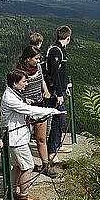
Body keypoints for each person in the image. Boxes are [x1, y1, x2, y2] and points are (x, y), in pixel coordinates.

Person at [1, 69, 65, 200]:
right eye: (24, 81)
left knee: (17, 166)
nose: (26, 84)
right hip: (16, 139)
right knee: (28, 166)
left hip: (16, 137)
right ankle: (24, 197)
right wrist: (52, 111)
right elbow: (29, 110)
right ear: (14, 83)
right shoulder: (10, 98)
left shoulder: (13, 94)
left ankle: (12, 193)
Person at [17, 45, 56, 178]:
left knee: (41, 138)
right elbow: (13, 89)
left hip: (39, 105)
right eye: (36, 58)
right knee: (25, 138)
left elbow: (42, 80)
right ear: (28, 59)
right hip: (25, 108)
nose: (38, 61)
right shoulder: (19, 71)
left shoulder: (38, 68)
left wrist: (45, 90)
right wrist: (23, 98)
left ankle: (46, 165)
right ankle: (24, 165)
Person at [45, 25, 72, 155]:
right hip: (55, 93)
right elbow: (54, 73)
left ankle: (56, 145)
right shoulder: (56, 51)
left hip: (60, 90)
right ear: (68, 37)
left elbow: (62, 72)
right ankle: (52, 150)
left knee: (60, 119)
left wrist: (65, 86)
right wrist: (59, 92)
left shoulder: (59, 49)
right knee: (58, 120)